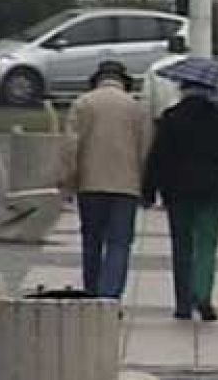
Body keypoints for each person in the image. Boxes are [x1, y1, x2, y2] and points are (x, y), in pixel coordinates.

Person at [142, 82, 218, 321]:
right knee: (207, 245)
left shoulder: (171, 118)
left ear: (183, 90)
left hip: (177, 192)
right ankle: (203, 294)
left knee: (182, 247)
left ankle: (183, 303)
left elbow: (158, 157)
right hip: (213, 192)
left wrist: (149, 191)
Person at [62, 61, 153, 299]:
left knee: (91, 241)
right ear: (124, 81)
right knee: (119, 243)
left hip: (90, 184)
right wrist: (144, 184)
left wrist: (69, 181)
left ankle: (91, 291)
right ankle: (110, 296)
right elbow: (145, 150)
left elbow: (71, 147)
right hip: (127, 186)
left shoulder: (82, 104)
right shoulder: (136, 108)